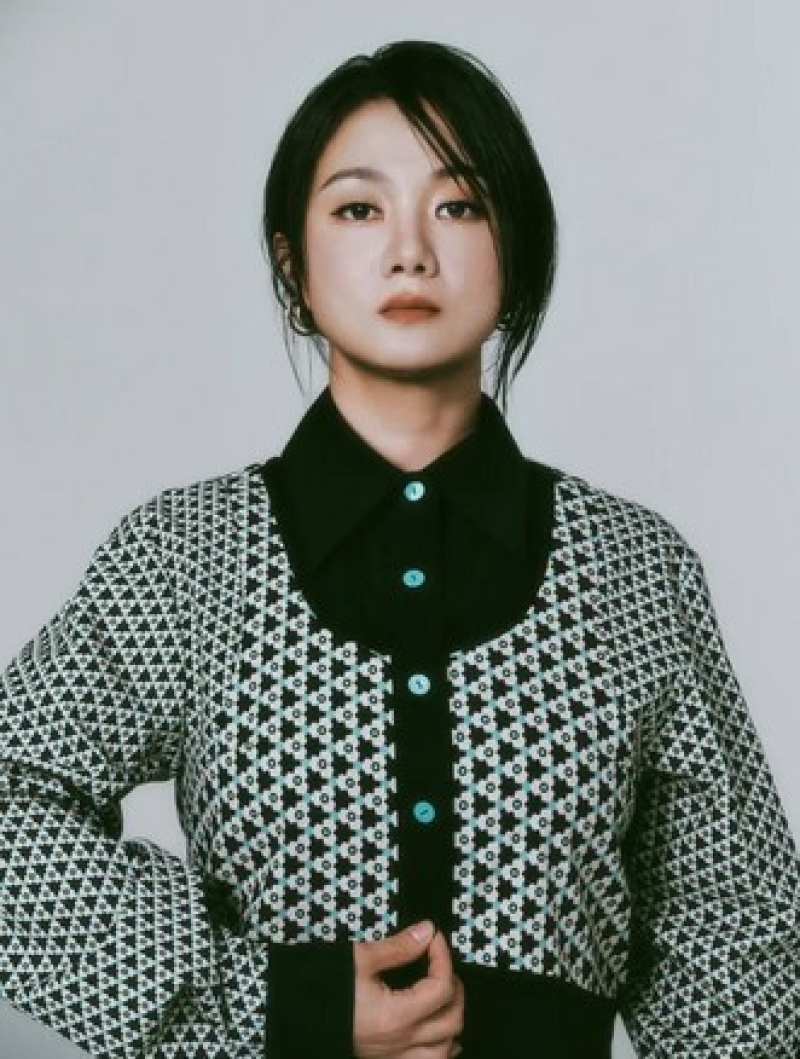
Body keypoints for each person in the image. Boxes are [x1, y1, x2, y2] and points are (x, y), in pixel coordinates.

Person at [1, 38, 798, 1059]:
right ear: (291, 263)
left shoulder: (634, 568)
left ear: (517, 250)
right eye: (358, 209)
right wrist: (280, 1007)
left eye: (458, 206)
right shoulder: (188, 555)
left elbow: (736, 938)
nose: (410, 251)